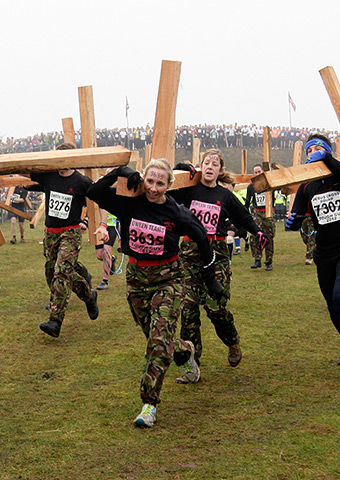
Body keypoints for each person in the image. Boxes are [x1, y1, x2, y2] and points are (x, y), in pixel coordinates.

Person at [87, 159, 223, 428]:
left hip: (168, 280)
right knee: (158, 336)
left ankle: (149, 404)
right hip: (136, 280)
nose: (153, 188)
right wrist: (120, 173)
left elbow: (202, 238)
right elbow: (94, 193)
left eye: (160, 183)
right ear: (143, 179)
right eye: (150, 181)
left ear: (169, 185)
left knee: (158, 343)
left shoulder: (176, 213)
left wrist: (210, 278)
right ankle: (186, 351)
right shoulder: (129, 202)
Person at [169, 150, 268, 383]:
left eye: (215, 164)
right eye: (207, 163)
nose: (211, 166)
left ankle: (232, 341)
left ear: (220, 171)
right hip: (190, 255)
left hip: (217, 255)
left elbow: (244, 217)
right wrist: (182, 165)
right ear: (201, 167)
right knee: (188, 309)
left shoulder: (225, 196)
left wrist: (258, 232)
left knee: (215, 308)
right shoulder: (188, 190)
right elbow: (170, 184)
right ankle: (192, 365)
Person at [286, 133, 340, 373]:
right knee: (332, 303)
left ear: (328, 153)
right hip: (324, 252)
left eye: (319, 149)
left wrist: (328, 159)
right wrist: (293, 222)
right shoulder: (306, 186)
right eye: (310, 150)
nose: (314, 153)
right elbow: (299, 215)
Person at [29, 142, 99, 338]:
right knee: (52, 271)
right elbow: (28, 173)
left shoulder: (81, 182)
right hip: (50, 232)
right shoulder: (48, 177)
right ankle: (89, 295)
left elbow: (94, 201)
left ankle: (55, 320)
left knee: (62, 272)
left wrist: (88, 222)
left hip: (71, 232)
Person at [245, 164, 276, 270]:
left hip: (268, 213)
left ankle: (268, 261)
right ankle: (257, 259)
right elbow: (248, 201)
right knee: (254, 236)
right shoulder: (251, 187)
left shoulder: (270, 184)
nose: (257, 174)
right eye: (255, 172)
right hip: (257, 212)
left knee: (269, 237)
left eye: (259, 172)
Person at [94, 208, 118, 290]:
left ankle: (105, 281)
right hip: (98, 224)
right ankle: (112, 259)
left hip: (111, 225)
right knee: (100, 255)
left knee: (106, 252)